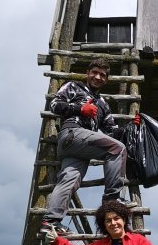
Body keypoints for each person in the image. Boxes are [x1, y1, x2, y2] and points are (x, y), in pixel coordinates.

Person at [41, 58, 137, 236]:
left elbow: (111, 132)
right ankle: (111, 199)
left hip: (81, 149)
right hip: (72, 133)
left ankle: (50, 221)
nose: (98, 77)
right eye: (95, 72)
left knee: (69, 180)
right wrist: (80, 109)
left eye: (102, 75)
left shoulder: (103, 105)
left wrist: (132, 128)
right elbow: (54, 105)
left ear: (106, 80)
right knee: (118, 149)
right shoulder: (73, 87)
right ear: (88, 73)